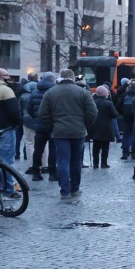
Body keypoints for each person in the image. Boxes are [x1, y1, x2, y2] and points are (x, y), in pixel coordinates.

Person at [38, 69, 97, 201]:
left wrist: (51, 126)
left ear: (61, 78)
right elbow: (93, 112)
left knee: (62, 160)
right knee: (76, 160)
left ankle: (65, 190)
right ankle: (75, 188)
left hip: (59, 131)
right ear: (73, 78)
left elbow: (42, 113)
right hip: (79, 131)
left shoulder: (50, 92)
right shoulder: (83, 92)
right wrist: (85, 124)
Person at [88, 85, 119, 168]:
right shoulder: (109, 103)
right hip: (106, 127)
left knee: (96, 146)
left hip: (95, 127)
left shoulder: (93, 102)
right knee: (105, 146)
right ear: (106, 94)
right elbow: (114, 115)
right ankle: (104, 163)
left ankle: (95, 163)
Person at [0, 68, 18, 196]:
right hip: (5, 129)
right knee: (6, 162)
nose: (9, 77)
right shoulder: (5, 90)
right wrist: (16, 124)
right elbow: (14, 111)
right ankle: (8, 189)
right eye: (6, 75)